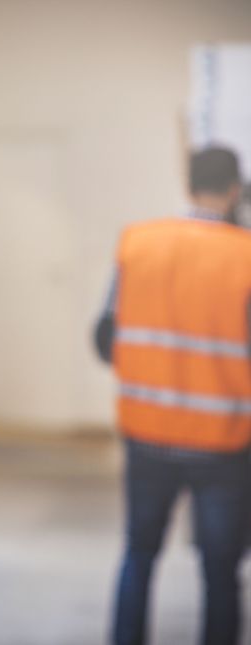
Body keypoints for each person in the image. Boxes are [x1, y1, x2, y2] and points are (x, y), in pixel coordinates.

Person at [95, 146, 251, 645]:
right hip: (223, 441)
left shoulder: (139, 243)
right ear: (234, 190)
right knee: (220, 569)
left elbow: (104, 336)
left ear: (187, 185)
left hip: (148, 435)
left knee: (139, 553)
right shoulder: (245, 255)